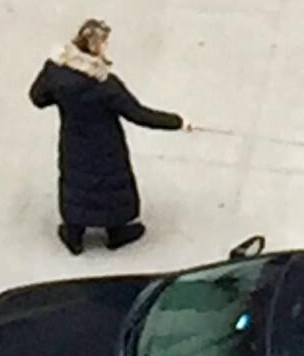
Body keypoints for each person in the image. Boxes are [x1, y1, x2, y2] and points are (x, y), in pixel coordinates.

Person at [29, 18, 189, 255]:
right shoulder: (105, 86)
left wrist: (64, 99)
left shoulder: (55, 71)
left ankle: (74, 235)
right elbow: (139, 114)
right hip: (105, 145)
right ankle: (116, 232)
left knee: (76, 183)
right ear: (97, 47)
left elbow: (38, 98)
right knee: (110, 186)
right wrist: (177, 122)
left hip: (73, 140)